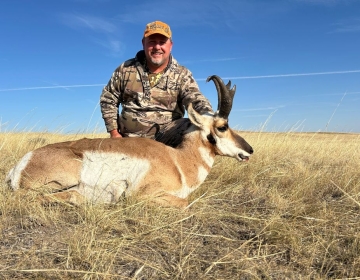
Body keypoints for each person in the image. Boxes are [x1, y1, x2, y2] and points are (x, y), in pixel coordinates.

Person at [100, 20, 213, 147]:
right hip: (130, 140)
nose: (157, 47)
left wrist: (209, 115)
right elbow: (108, 98)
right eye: (152, 42)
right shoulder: (125, 69)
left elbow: (195, 98)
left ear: (170, 45)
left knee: (195, 126)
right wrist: (114, 133)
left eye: (162, 42)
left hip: (168, 142)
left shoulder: (182, 74)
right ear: (143, 43)